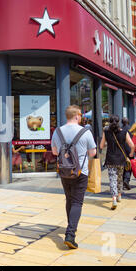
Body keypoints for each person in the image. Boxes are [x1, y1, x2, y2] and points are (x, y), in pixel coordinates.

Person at [51, 105, 97, 249]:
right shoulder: (85, 132)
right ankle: (70, 234)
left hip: (64, 171)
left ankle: (71, 224)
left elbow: (54, 152)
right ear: (77, 116)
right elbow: (93, 153)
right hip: (80, 172)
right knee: (77, 202)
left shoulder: (57, 132)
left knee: (69, 199)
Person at [99, 115, 135, 210]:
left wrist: (108, 143)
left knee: (112, 179)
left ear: (109, 122)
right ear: (118, 122)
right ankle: (119, 195)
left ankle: (114, 198)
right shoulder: (124, 132)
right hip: (121, 158)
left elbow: (101, 146)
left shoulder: (106, 132)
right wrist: (131, 154)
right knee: (119, 177)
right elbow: (132, 145)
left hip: (111, 158)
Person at [121, 118, 133, 190]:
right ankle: (126, 180)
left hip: (122, 150)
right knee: (129, 166)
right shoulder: (131, 129)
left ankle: (124, 181)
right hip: (130, 150)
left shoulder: (120, 129)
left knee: (123, 166)